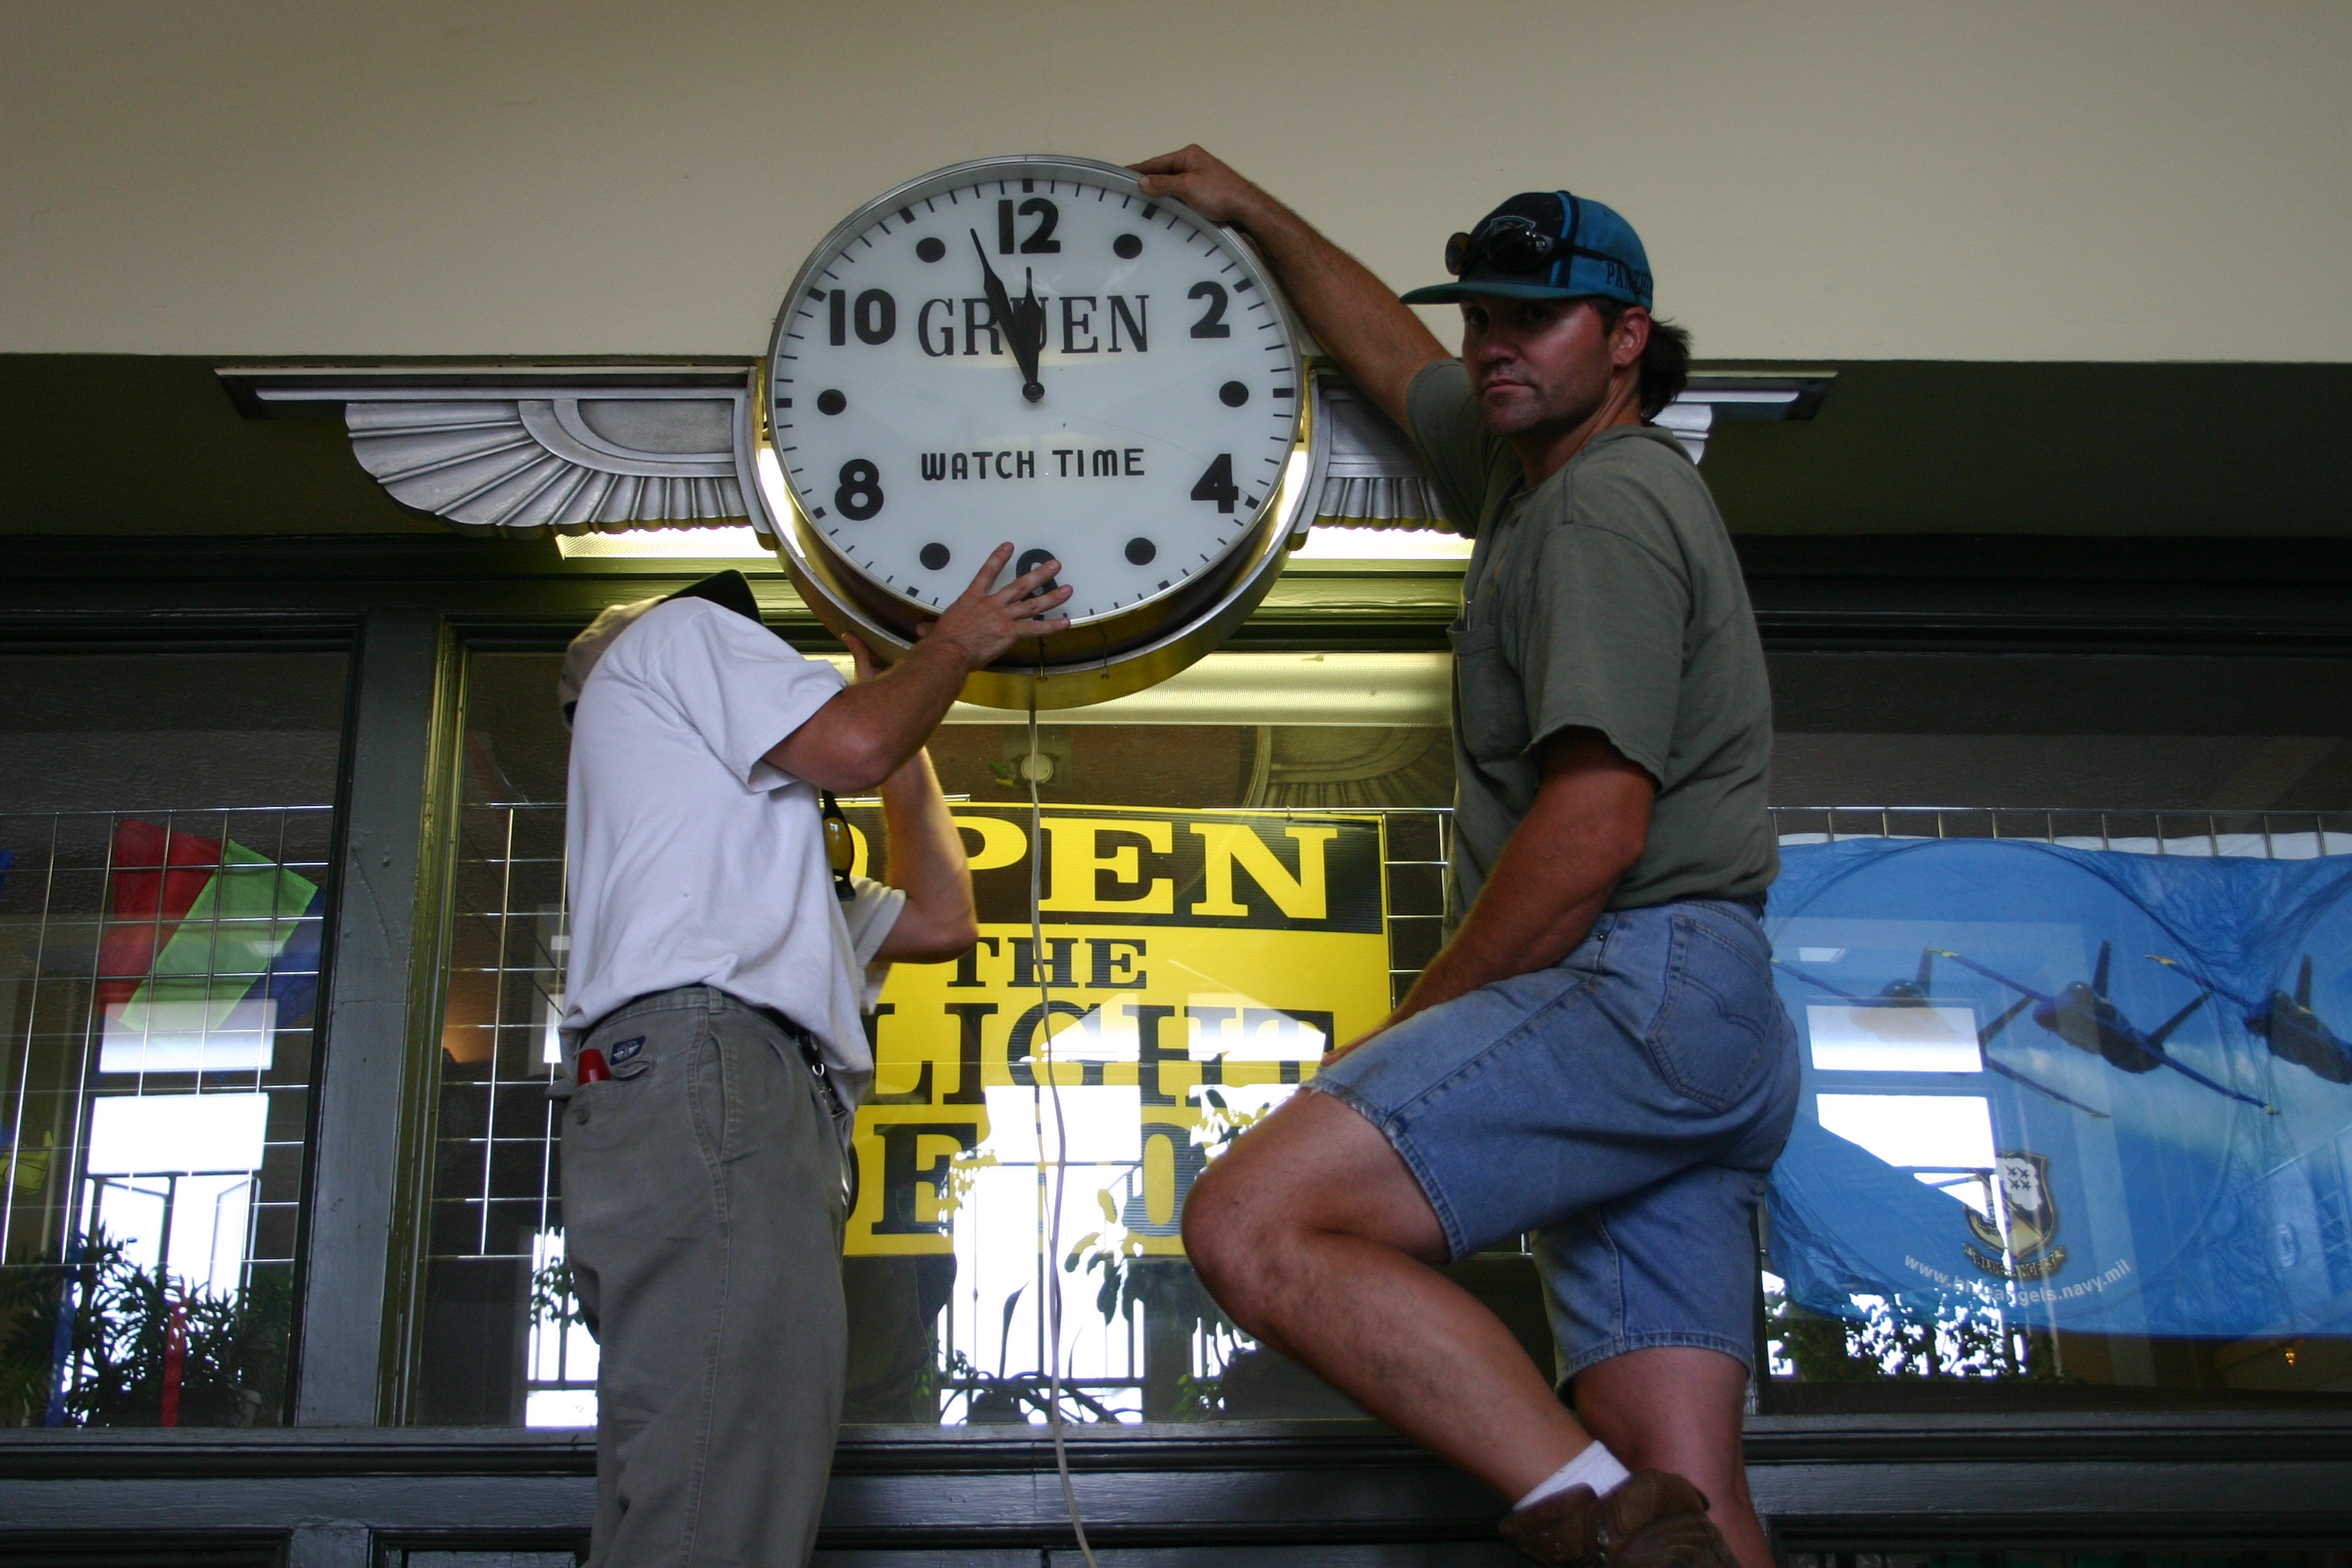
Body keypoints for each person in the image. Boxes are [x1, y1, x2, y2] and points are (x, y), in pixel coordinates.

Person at [1135, 147, 1798, 1568]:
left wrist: (1422, 1023)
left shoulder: (1602, 505)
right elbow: (1396, 354)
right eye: (1483, 317)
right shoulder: (1523, 476)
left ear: (1625, 342)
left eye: (1535, 319)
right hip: (1711, 1019)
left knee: (1252, 1218)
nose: (1494, 346)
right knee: (1697, 1481)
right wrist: (1252, 204)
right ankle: (1652, 1523)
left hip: (1641, 979)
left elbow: (1592, 828)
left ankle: (1594, 1525)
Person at [554, 554, 1069, 1567]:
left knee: (696, 1474)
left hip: (708, 1084)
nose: (768, 665)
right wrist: (948, 646)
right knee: (720, 1498)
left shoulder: (719, 863)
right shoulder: (675, 637)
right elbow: (857, 742)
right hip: (720, 1072)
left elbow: (940, 914)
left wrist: (892, 705)